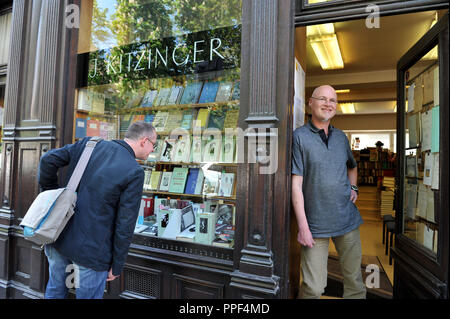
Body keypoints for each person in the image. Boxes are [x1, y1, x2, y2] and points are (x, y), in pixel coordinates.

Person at [39, 121, 156, 299]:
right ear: (144, 141)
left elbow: (47, 160)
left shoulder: (89, 144)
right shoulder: (134, 171)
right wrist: (117, 265)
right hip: (92, 251)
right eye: (153, 145)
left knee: (55, 290)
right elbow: (125, 223)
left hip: (59, 236)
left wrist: (52, 194)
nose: (152, 150)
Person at [291, 85, 366, 299]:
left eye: (332, 100)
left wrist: (353, 187)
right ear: (311, 103)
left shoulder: (341, 137)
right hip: (315, 225)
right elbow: (296, 185)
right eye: (322, 99)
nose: (328, 104)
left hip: (347, 219)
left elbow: (352, 166)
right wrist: (303, 227)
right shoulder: (299, 137)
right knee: (313, 288)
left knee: (355, 283)